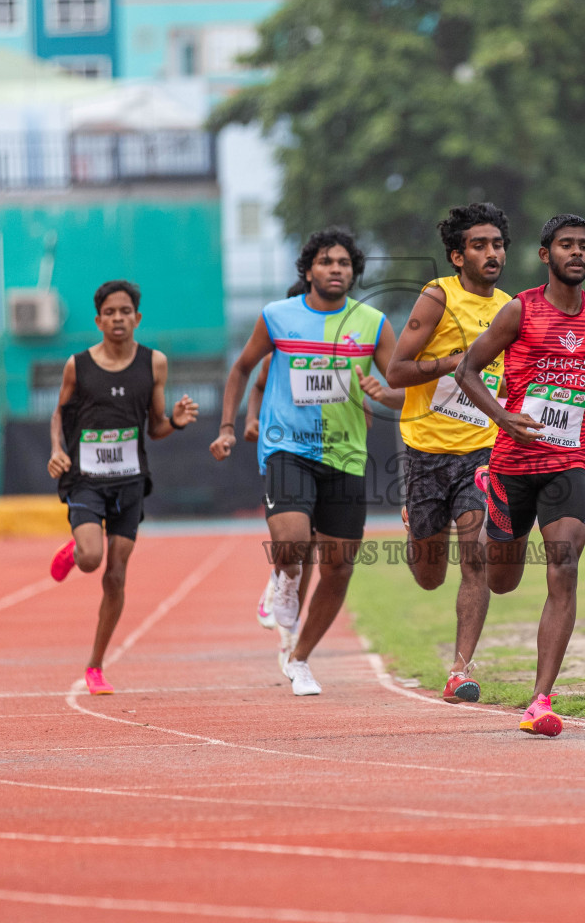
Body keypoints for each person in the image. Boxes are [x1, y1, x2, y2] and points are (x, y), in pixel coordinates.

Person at [456, 214, 585, 735]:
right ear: (545, 255)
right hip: (513, 465)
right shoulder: (520, 310)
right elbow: (466, 370)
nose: (576, 253)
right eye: (566, 245)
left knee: (565, 567)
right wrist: (502, 416)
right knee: (503, 580)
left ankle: (540, 701)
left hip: (566, 463)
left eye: (584, 246)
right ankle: (487, 489)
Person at [211, 227, 402, 695]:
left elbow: (402, 390)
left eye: (344, 263)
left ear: (354, 272)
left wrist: (385, 393)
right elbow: (242, 369)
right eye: (326, 261)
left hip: (345, 454)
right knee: (293, 542)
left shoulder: (373, 322)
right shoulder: (278, 317)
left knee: (338, 567)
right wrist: (229, 426)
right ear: (309, 270)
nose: (336, 269)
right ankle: (285, 577)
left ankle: (299, 659)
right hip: (287, 446)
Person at [383, 202, 511, 703]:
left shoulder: (510, 308)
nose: (491, 252)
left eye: (497, 244)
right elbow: (396, 371)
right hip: (425, 453)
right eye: (479, 245)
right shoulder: (438, 298)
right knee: (429, 576)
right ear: (458, 256)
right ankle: (416, 526)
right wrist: (453, 363)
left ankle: (461, 669)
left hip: (481, 452)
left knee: (475, 556)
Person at [47, 280, 199, 695]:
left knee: (115, 576)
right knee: (93, 558)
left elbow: (156, 426)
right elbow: (58, 415)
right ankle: (79, 548)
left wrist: (176, 422)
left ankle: (95, 667)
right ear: (98, 320)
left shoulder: (154, 363)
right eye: (110, 312)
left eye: (125, 311)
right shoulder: (78, 365)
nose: (118, 318)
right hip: (86, 479)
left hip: (131, 479)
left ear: (138, 317)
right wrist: (57, 450)